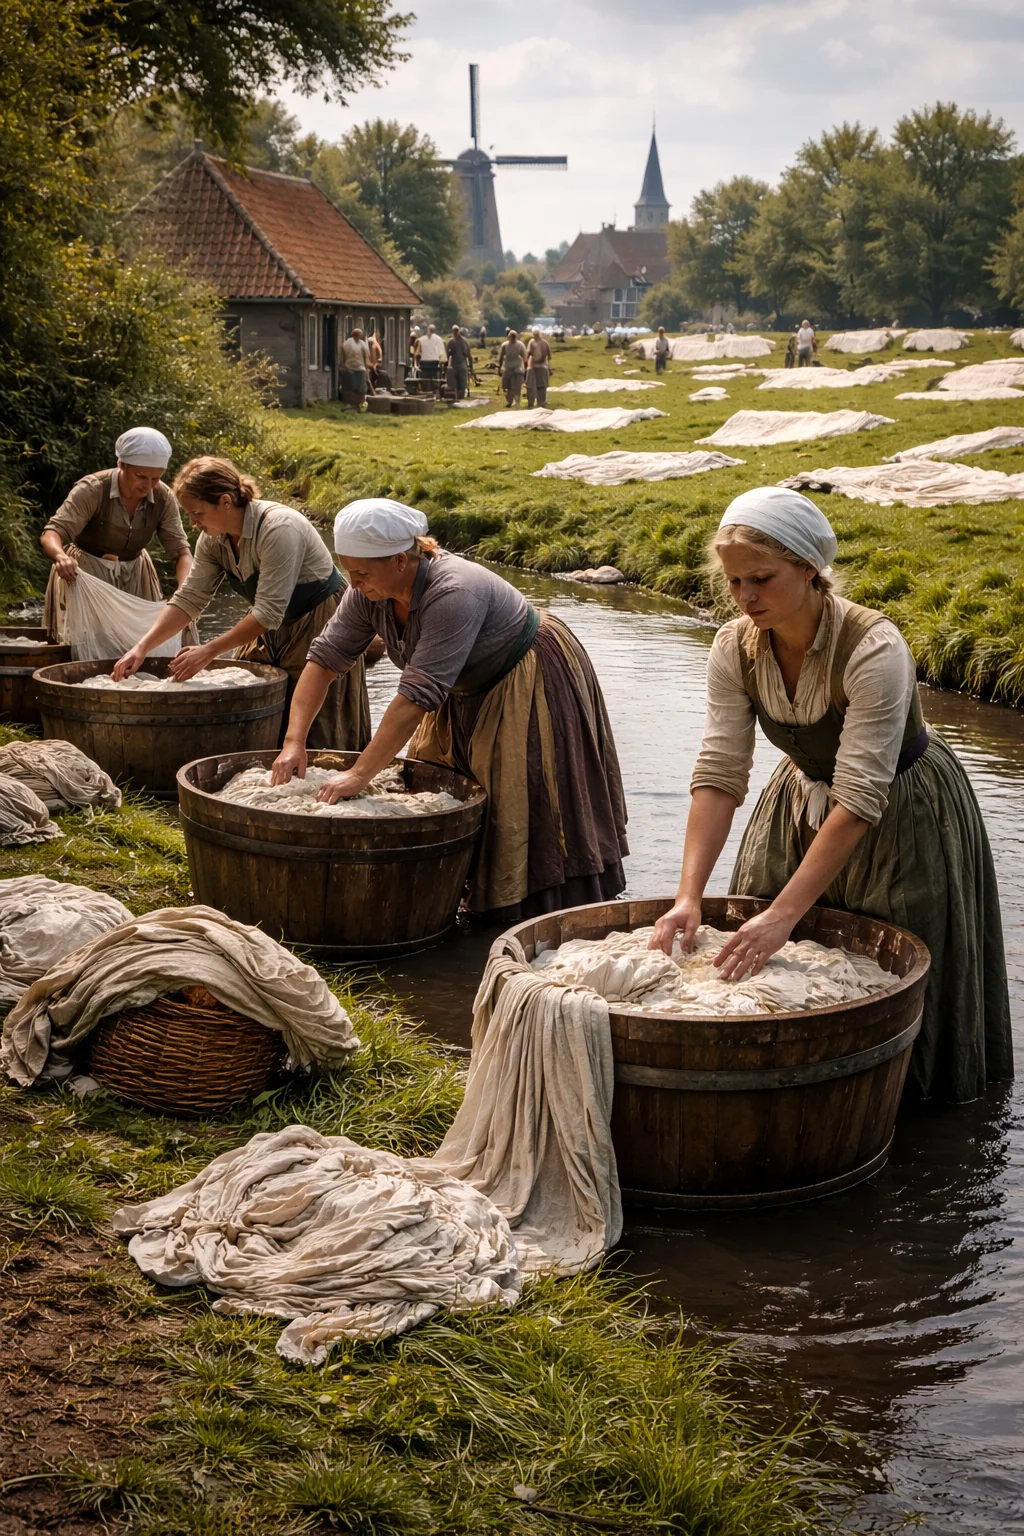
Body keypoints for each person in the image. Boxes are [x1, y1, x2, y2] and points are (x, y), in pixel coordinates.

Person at [650, 486, 1012, 1104]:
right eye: (735, 582)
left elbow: (861, 794)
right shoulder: (733, 648)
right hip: (798, 799)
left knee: (896, 958)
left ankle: (908, 1106)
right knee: (758, 938)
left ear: (810, 568)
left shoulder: (874, 647)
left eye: (760, 579)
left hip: (900, 804)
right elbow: (719, 774)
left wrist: (784, 917)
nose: (745, 597)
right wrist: (689, 896)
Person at [269, 499, 629, 920]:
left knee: (521, 787)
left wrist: (358, 774)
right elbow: (324, 661)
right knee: (435, 776)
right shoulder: (368, 591)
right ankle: (457, 888)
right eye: (348, 569)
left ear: (401, 560)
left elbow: (415, 698)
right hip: (456, 682)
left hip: (523, 670)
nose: (353, 581)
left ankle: (539, 908)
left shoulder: (454, 590)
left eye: (361, 572)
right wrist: (294, 742)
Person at [112, 457, 371, 751]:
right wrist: (142, 647)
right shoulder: (213, 540)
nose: (194, 523)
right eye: (189, 515)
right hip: (269, 621)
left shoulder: (279, 527)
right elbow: (189, 599)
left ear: (225, 501)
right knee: (254, 697)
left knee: (316, 714)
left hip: (319, 617)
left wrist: (208, 651)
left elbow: (268, 612)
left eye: (198, 513)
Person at [41, 427, 193, 643]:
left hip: (135, 573)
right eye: (141, 476)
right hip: (86, 571)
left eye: (155, 478)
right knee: (88, 641)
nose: (147, 486)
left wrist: (185, 593)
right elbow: (52, 533)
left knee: (145, 640)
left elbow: (182, 553)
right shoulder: (93, 489)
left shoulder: (163, 497)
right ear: (121, 465)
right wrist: (61, 557)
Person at [340, 328, 370, 407]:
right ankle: (357, 402)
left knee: (355, 387)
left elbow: (343, 354)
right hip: (353, 368)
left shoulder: (348, 343)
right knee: (356, 387)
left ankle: (354, 403)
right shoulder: (351, 343)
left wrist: (343, 364)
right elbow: (365, 357)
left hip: (354, 367)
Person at [498, 330, 527, 407]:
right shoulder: (505, 346)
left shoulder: (520, 345)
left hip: (517, 368)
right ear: (509, 338)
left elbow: (524, 357)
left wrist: (525, 369)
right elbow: (501, 357)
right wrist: (499, 367)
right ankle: (510, 401)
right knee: (507, 386)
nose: (513, 340)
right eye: (511, 338)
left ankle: (517, 402)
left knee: (517, 386)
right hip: (508, 367)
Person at [525, 328, 552, 408]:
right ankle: (540, 403)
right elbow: (549, 357)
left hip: (533, 367)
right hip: (541, 367)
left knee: (530, 386)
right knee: (541, 387)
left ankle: (532, 403)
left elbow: (528, 353)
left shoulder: (532, 342)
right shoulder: (544, 343)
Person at [446, 325, 474, 400]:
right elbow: (447, 354)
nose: (455, 333)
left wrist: (471, 368)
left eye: (456, 331)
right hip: (453, 365)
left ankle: (460, 396)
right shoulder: (451, 342)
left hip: (462, 364)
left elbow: (469, 355)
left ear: (458, 331)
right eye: (454, 331)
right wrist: (446, 365)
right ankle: (456, 397)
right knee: (454, 383)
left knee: (462, 383)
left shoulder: (464, 342)